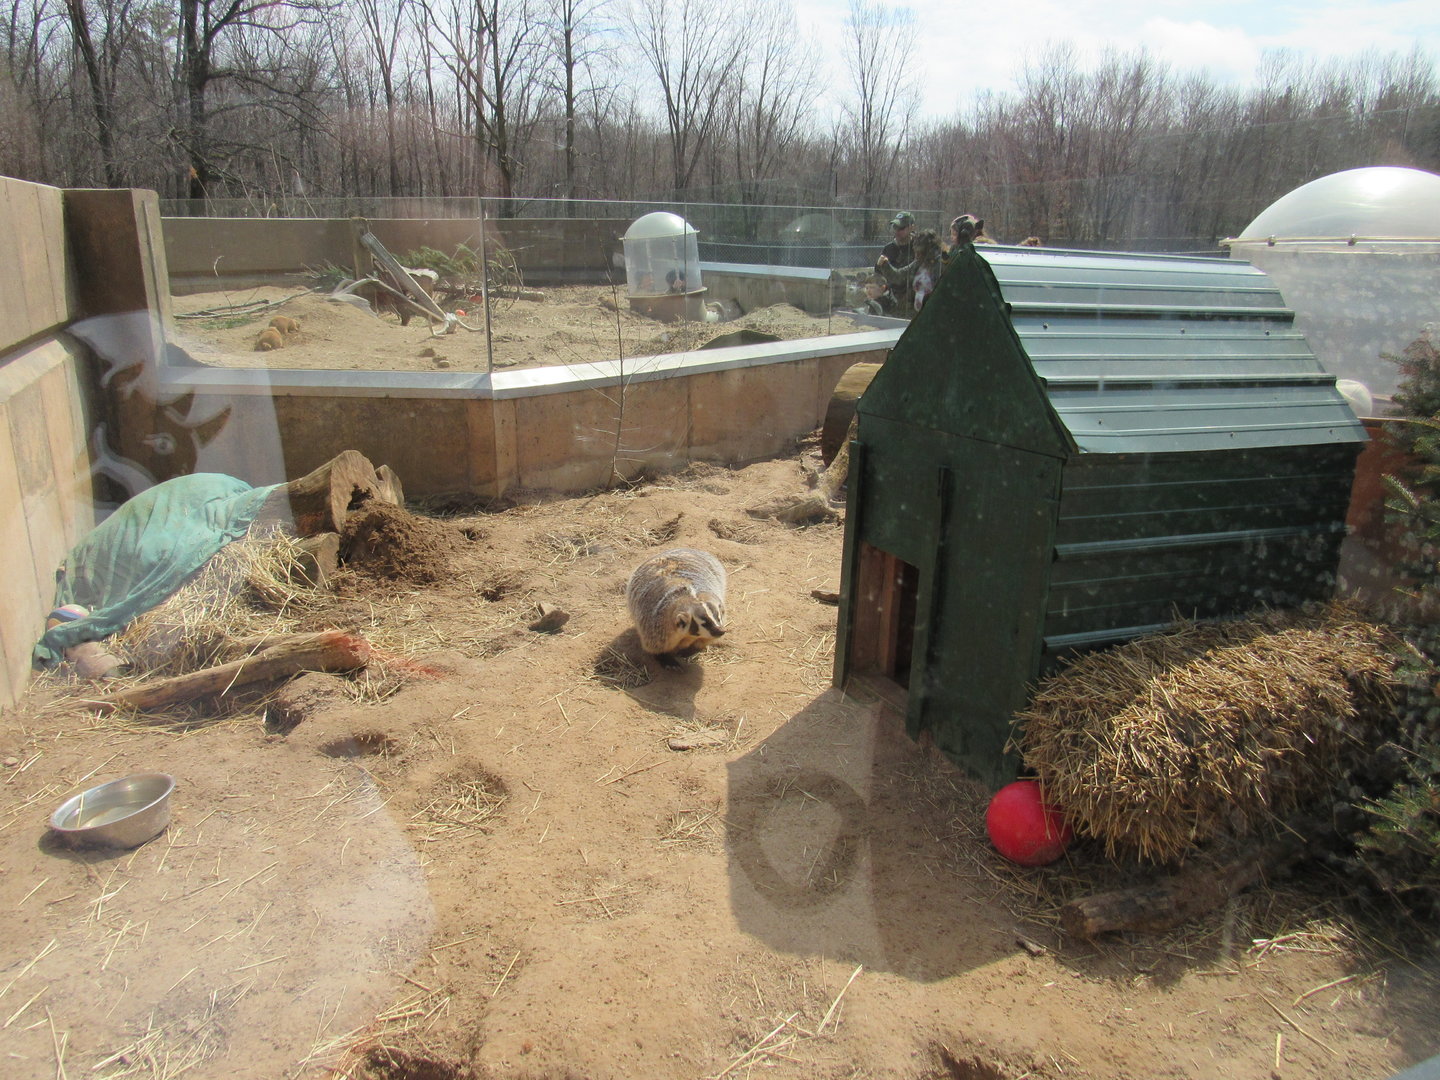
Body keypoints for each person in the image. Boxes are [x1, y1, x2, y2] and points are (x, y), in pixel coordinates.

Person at [878, 228, 942, 314]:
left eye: (920, 252)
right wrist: (885, 264)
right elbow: (899, 277)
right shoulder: (918, 264)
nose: (917, 256)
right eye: (916, 252)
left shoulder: (940, 266)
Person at [876, 211, 916, 307]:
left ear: (912, 227)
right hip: (892, 299)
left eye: (901, 228)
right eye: (895, 227)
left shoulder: (918, 247)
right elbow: (878, 276)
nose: (897, 231)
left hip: (913, 300)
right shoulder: (889, 249)